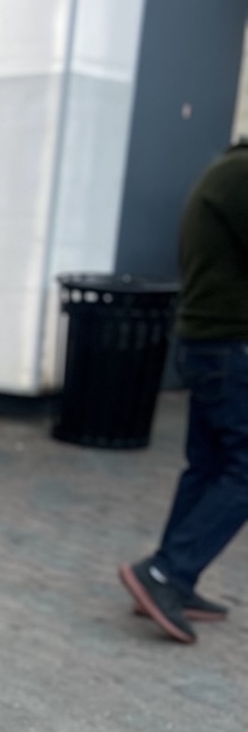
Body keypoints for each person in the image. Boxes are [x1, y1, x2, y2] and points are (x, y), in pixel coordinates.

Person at [120, 141, 248, 643]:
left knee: (211, 464)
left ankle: (173, 576)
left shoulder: (226, 170)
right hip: (230, 347)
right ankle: (167, 573)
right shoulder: (242, 178)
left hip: (209, 344)